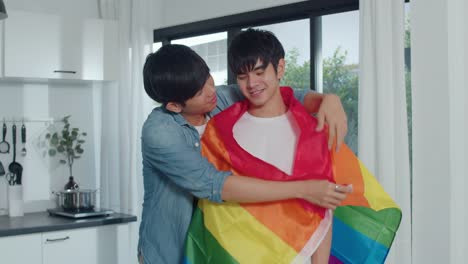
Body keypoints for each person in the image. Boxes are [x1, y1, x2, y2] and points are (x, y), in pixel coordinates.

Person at [138, 44, 350, 264]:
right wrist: (304, 189)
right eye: (199, 92)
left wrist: (329, 100)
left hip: (222, 248)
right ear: (174, 106)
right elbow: (215, 185)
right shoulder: (160, 133)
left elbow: (285, 95)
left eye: (207, 77)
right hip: (171, 251)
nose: (212, 91)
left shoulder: (219, 98)